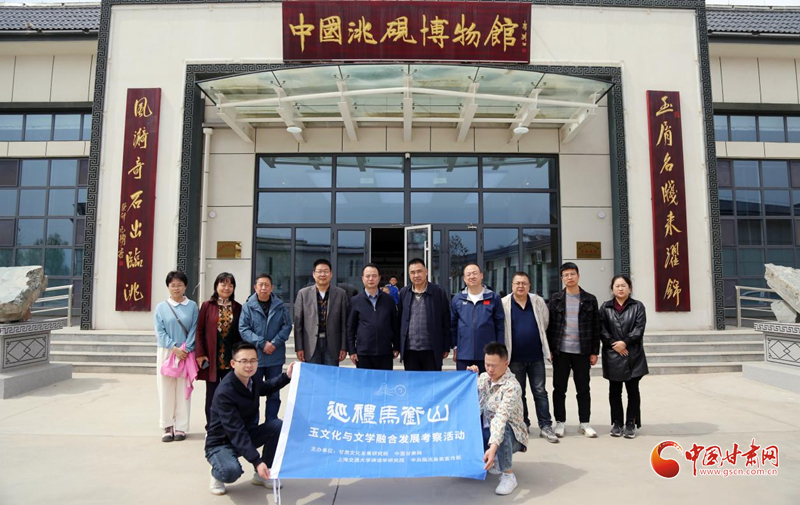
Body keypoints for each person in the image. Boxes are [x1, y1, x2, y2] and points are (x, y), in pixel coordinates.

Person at [205, 342, 294, 496]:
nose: (249, 365)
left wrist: (287, 376)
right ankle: (217, 472)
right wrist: (257, 461)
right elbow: (236, 431)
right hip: (222, 442)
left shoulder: (252, 379)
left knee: (277, 426)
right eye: (244, 361)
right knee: (231, 472)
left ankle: (262, 474)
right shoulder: (225, 392)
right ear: (233, 363)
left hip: (246, 433)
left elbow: (266, 387)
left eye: (253, 360)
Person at [501, 272, 557, 443]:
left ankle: (545, 426)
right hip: (514, 357)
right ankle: (523, 423)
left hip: (536, 356)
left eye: (524, 283)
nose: (521, 286)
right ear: (512, 285)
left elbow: (545, 322)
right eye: (517, 283)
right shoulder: (504, 303)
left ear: (529, 285)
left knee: (540, 392)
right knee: (519, 393)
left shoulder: (537, 301)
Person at [546, 262, 601, 439]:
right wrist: (550, 349)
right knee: (559, 388)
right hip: (561, 351)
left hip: (582, 351)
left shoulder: (590, 299)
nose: (569, 277)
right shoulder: (555, 299)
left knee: (583, 388)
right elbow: (550, 326)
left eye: (572, 274)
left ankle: (584, 423)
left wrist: (594, 351)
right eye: (566, 275)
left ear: (578, 276)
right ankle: (560, 422)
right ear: (562, 278)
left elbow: (596, 326)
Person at [467, 342, 528, 496]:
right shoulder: (484, 378)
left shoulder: (512, 387)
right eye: (487, 364)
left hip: (512, 436)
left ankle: (508, 475)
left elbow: (501, 418)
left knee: (503, 427)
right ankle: (493, 460)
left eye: (494, 366)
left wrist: (493, 448)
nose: (490, 369)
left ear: (506, 364)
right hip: (486, 431)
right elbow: (468, 396)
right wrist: (469, 376)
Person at [599, 275, 648, 439]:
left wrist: (625, 343)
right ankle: (617, 423)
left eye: (624, 285)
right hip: (613, 354)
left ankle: (631, 423)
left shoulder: (638, 306)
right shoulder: (605, 307)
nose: (620, 288)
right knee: (614, 391)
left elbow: (639, 328)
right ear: (612, 289)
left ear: (630, 288)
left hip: (632, 354)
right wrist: (614, 344)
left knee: (633, 391)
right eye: (617, 286)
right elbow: (601, 329)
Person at [239, 273, 292, 422]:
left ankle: (271, 423)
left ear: (272, 288)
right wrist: (262, 343)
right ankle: (253, 425)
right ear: (255, 287)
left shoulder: (280, 306)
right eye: (260, 285)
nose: (263, 288)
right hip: (255, 357)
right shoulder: (248, 307)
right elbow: (244, 329)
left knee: (274, 393)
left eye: (266, 285)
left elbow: (287, 327)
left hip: (275, 356)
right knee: (253, 393)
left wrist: (274, 343)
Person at [154, 270, 199, 442]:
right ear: (168, 287)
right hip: (167, 352)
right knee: (165, 389)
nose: (176, 288)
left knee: (183, 389)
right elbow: (160, 332)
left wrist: (186, 348)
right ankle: (167, 425)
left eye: (179, 285)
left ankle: (181, 426)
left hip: (186, 352)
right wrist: (174, 348)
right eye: (173, 285)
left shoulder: (192, 306)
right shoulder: (161, 307)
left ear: (185, 286)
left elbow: (194, 329)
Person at [195, 272, 242, 430]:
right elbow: (199, 331)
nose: (226, 288)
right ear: (216, 286)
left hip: (230, 358)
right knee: (212, 394)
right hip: (212, 358)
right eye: (223, 284)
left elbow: (239, 334)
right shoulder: (207, 306)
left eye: (230, 285)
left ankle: (228, 427)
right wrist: (200, 354)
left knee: (230, 393)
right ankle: (212, 427)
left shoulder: (237, 307)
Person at [397, 258, 451, 371]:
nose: (416, 275)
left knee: (432, 381)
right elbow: (399, 321)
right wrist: (398, 346)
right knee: (413, 381)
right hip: (410, 350)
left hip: (432, 349)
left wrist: (446, 346)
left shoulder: (438, 292)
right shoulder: (404, 293)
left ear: (426, 271)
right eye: (412, 272)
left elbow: (446, 321)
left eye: (419, 271)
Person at [294, 259, 350, 366]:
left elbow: (344, 324)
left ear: (331, 274)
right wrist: (299, 347)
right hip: (310, 345)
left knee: (330, 375)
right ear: (314, 274)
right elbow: (298, 325)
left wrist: (343, 347)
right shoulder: (303, 294)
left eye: (326, 271)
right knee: (313, 375)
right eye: (319, 271)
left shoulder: (341, 294)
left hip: (332, 344)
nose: (322, 274)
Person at [451, 263, 504, 374]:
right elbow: (453, 326)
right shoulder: (457, 299)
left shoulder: (493, 298)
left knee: (487, 383)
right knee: (465, 384)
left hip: (488, 354)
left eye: (475, 273)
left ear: (481, 275)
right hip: (464, 354)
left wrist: (499, 349)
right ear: (464, 278)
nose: (472, 277)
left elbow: (500, 325)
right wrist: (455, 347)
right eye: (468, 274)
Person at [347, 264, 400, 370]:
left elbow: (395, 325)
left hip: (385, 352)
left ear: (379, 278)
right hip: (363, 353)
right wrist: (352, 350)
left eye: (374, 276)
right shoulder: (355, 301)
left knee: (384, 380)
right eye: (367, 276)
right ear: (362, 278)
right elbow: (350, 328)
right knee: (365, 380)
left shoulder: (388, 300)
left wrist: (396, 346)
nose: (371, 279)